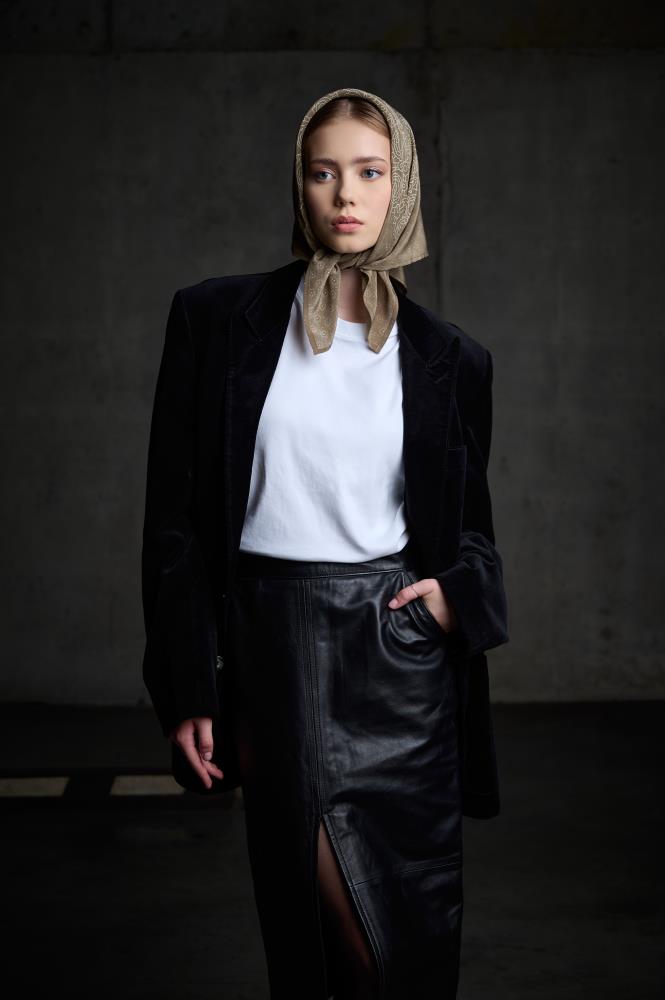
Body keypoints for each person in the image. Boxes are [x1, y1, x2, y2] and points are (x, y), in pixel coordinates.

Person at [141, 87, 509, 1000]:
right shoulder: (216, 321)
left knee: (411, 947)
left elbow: (469, 533)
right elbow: (175, 522)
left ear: (401, 187)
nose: (346, 193)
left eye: (370, 172)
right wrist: (189, 681)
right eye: (323, 171)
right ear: (300, 188)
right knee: (327, 935)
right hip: (275, 654)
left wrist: (450, 597)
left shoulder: (449, 358)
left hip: (399, 663)